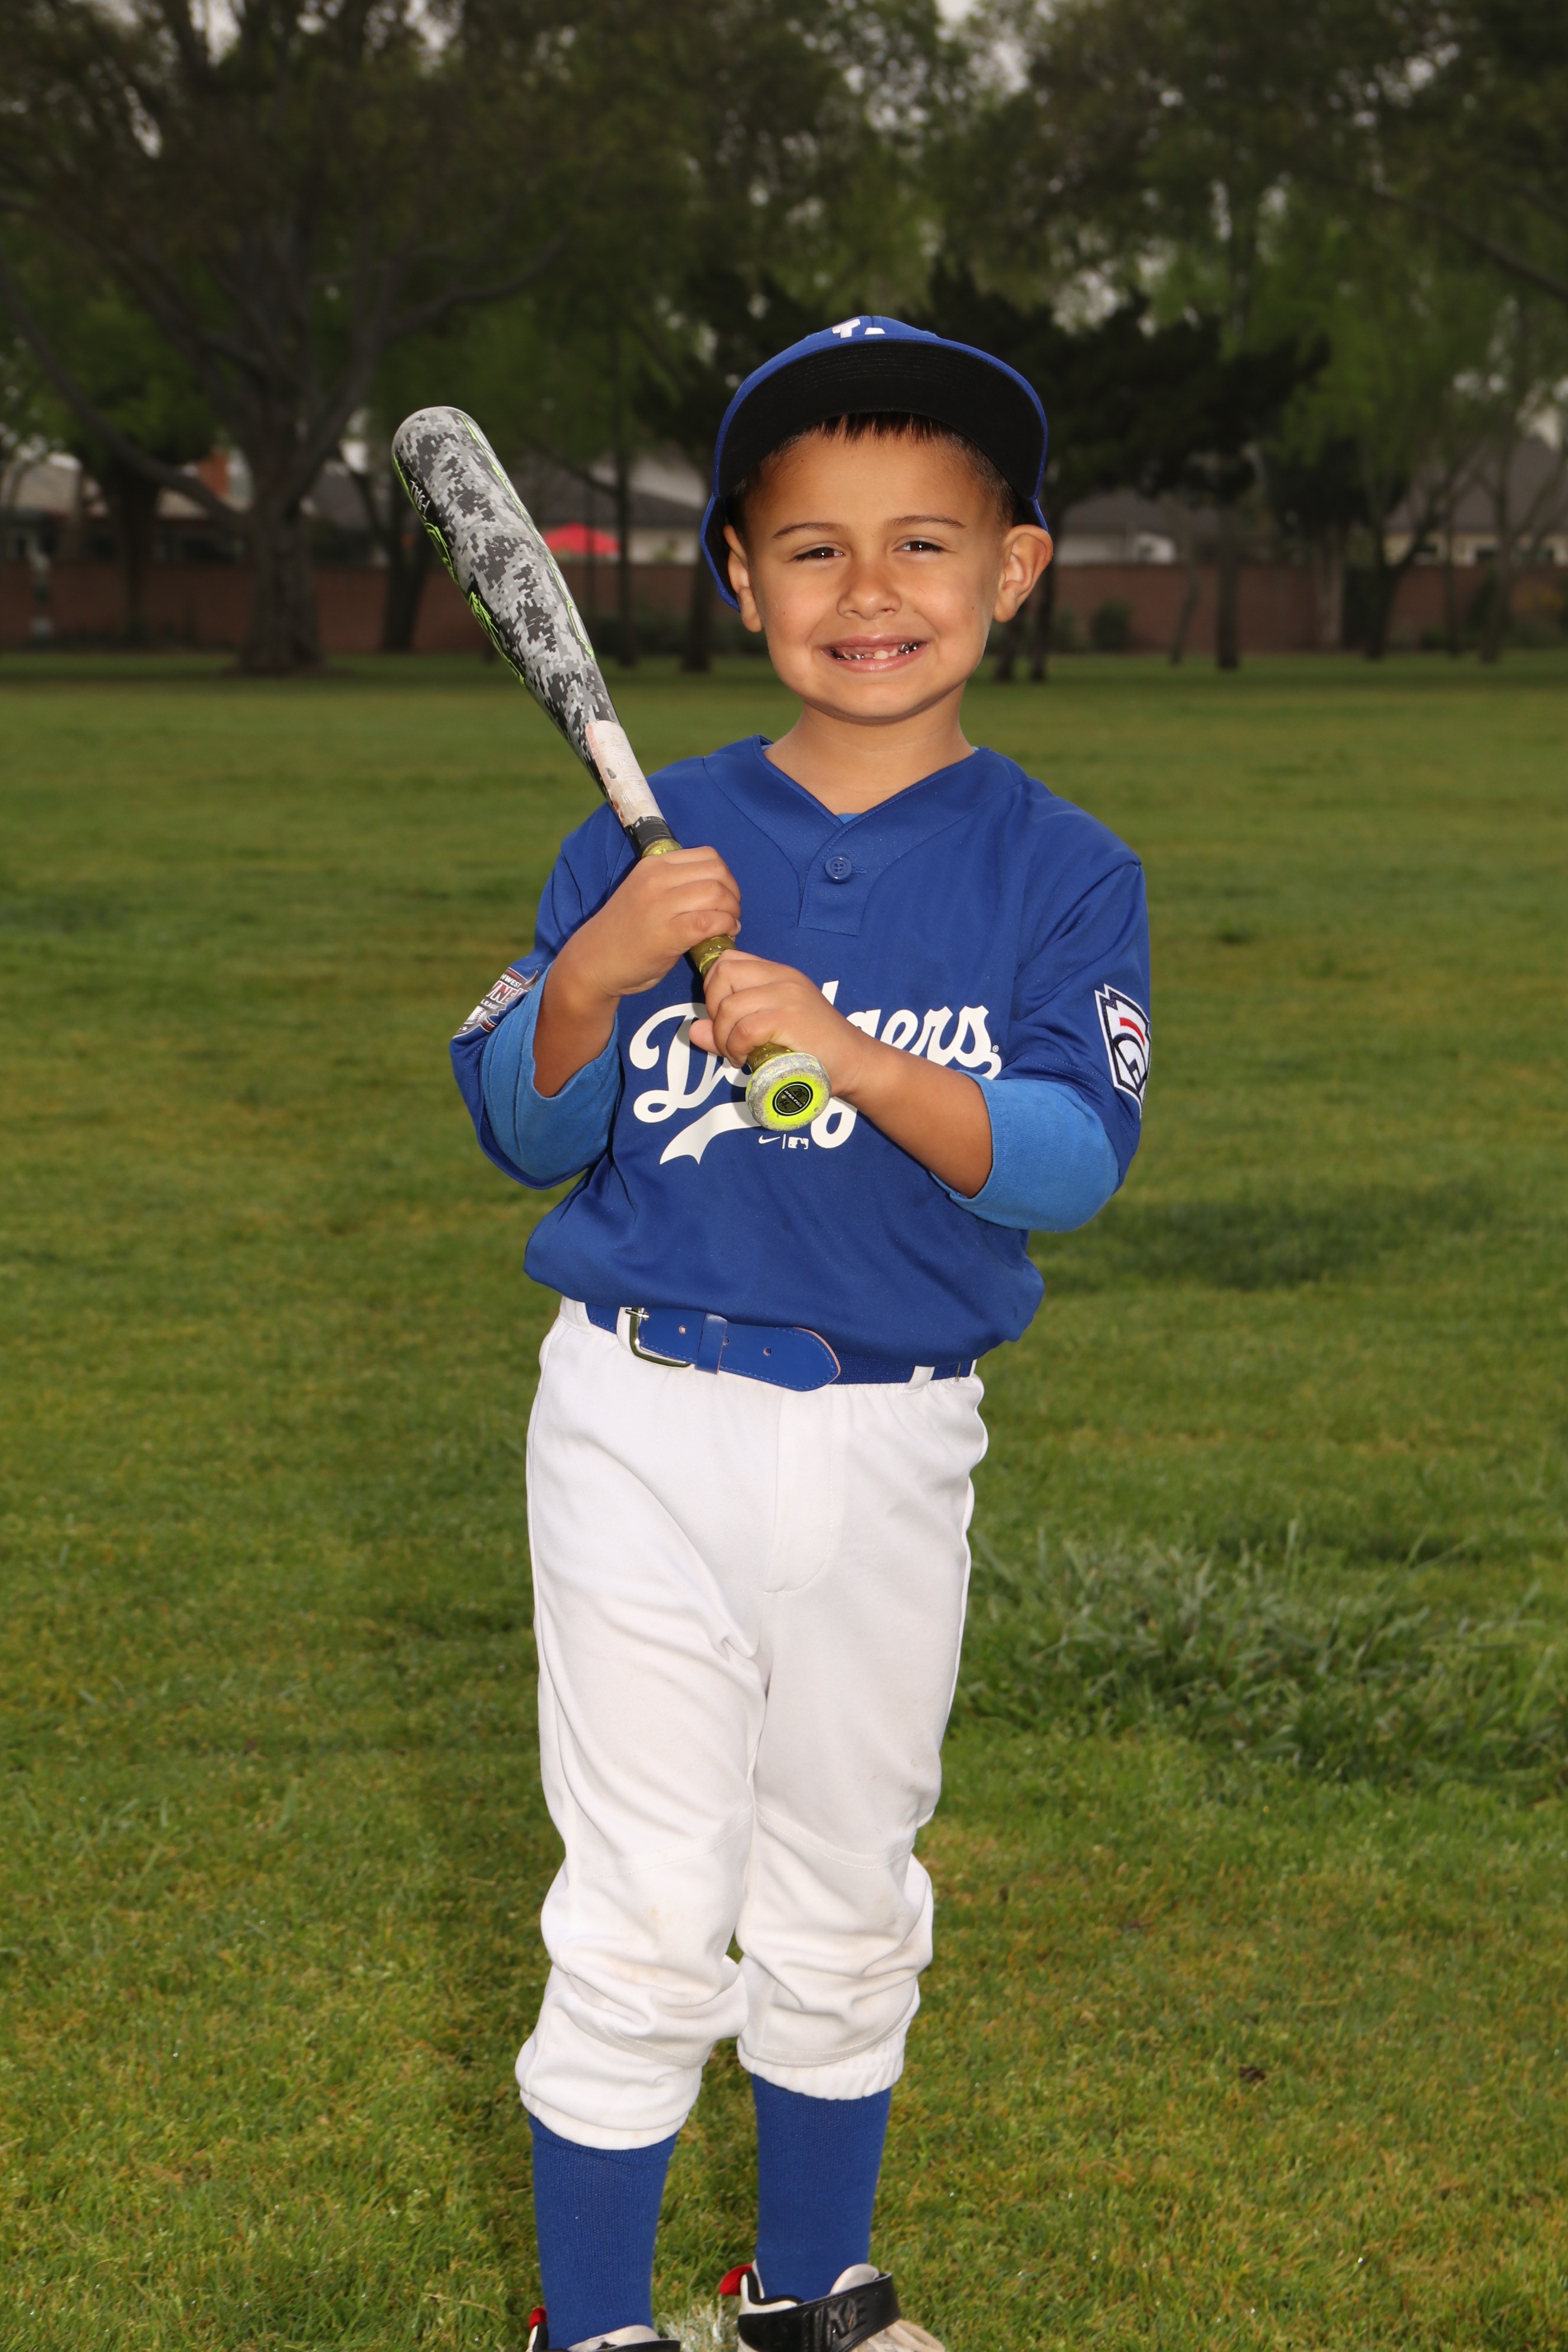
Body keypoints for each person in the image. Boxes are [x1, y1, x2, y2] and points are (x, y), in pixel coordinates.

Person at [450, 316, 1151, 2352]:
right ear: (744, 582)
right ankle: (591, 2328)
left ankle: (808, 2293)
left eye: (925, 541)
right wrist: (598, 972)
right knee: (651, 1909)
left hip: (891, 1437)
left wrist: (849, 1053)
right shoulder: (645, 839)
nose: (872, 590)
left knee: (848, 1884)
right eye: (815, 549)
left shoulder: (1062, 871)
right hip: (641, 1419)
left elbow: (1066, 1162)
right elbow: (522, 1125)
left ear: (1015, 570)